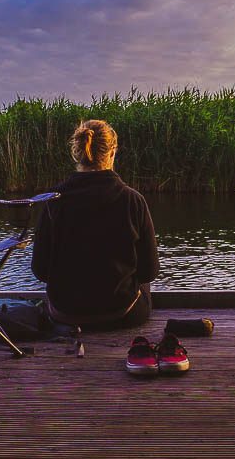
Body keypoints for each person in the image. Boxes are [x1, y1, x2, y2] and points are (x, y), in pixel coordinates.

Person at [31, 119, 158, 329]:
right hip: (122, 314)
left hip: (65, 314)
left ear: (76, 152)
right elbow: (149, 272)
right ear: (112, 152)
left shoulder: (53, 201)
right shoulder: (133, 200)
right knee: (144, 283)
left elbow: (40, 271)